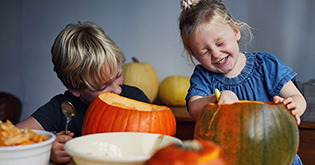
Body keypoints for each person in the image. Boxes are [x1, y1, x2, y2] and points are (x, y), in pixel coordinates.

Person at [179, 0, 307, 164]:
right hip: (229, 158)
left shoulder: (266, 65)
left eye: (220, 43)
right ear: (195, 54)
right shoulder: (203, 76)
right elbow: (194, 107)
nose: (216, 54)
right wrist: (215, 99)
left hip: (276, 156)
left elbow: (297, 97)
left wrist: (294, 106)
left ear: (235, 32)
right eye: (205, 51)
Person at [16, 21, 150, 163]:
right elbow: (10, 137)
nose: (117, 89)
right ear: (74, 89)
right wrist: (47, 149)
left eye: (118, 76)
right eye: (102, 86)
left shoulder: (136, 98)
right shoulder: (62, 109)